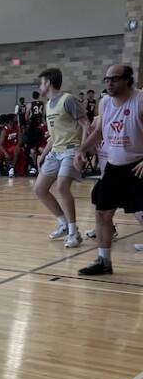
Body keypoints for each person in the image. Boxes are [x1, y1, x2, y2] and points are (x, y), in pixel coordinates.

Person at [74, 64, 143, 275]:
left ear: (128, 80)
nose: (109, 84)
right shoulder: (105, 103)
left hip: (138, 166)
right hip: (114, 167)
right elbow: (99, 131)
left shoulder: (140, 100)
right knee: (102, 212)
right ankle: (104, 261)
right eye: (106, 79)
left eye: (114, 79)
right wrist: (82, 150)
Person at [34, 67, 90, 248]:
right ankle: (64, 224)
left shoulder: (68, 100)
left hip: (71, 150)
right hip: (55, 152)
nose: (39, 86)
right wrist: (43, 154)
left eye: (41, 83)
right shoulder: (48, 105)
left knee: (62, 187)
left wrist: (82, 149)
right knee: (40, 189)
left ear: (48, 83)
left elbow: (85, 124)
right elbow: (53, 135)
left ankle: (74, 233)